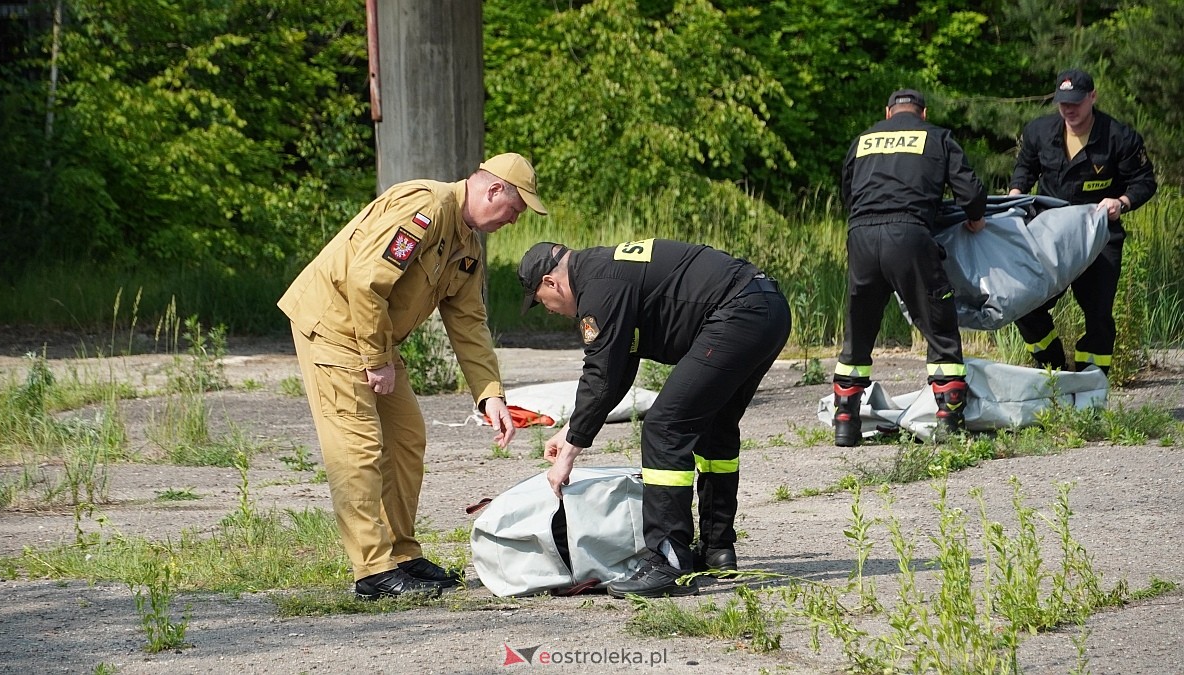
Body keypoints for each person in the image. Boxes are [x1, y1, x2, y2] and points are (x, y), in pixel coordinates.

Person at [279, 153, 547, 599]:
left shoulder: (467, 246)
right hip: (334, 326)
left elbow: (469, 323)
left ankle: (401, 554)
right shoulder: (426, 207)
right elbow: (366, 281)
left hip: (373, 338)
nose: (515, 220)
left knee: (406, 437)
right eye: (515, 208)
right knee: (357, 446)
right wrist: (376, 359)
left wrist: (490, 394)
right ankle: (372, 570)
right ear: (493, 190)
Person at [518, 238, 791, 597]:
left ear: (551, 282)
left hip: (738, 312)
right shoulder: (605, 271)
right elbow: (615, 372)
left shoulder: (597, 289)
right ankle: (716, 549)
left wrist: (568, 456)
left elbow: (600, 374)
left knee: (664, 427)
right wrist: (571, 430)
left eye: (542, 302)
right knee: (715, 426)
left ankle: (668, 561)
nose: (550, 310)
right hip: (766, 306)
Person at [833, 89, 987, 447]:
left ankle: (845, 419)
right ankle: (948, 417)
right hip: (909, 235)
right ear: (923, 113)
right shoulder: (938, 137)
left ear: (888, 113)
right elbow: (970, 192)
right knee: (938, 321)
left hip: (861, 236)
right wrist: (975, 218)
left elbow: (847, 194)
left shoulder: (864, 140)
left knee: (859, 327)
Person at [1008, 69, 1158, 374]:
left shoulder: (1119, 136)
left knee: (1098, 313)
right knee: (1024, 305)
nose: (1069, 109)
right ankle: (1052, 366)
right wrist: (1015, 195)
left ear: (1093, 97)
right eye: (1063, 103)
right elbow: (1025, 169)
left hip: (1098, 237)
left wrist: (1122, 202)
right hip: (1049, 235)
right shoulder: (1039, 131)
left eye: (1076, 102)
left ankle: (1091, 382)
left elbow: (1144, 181)